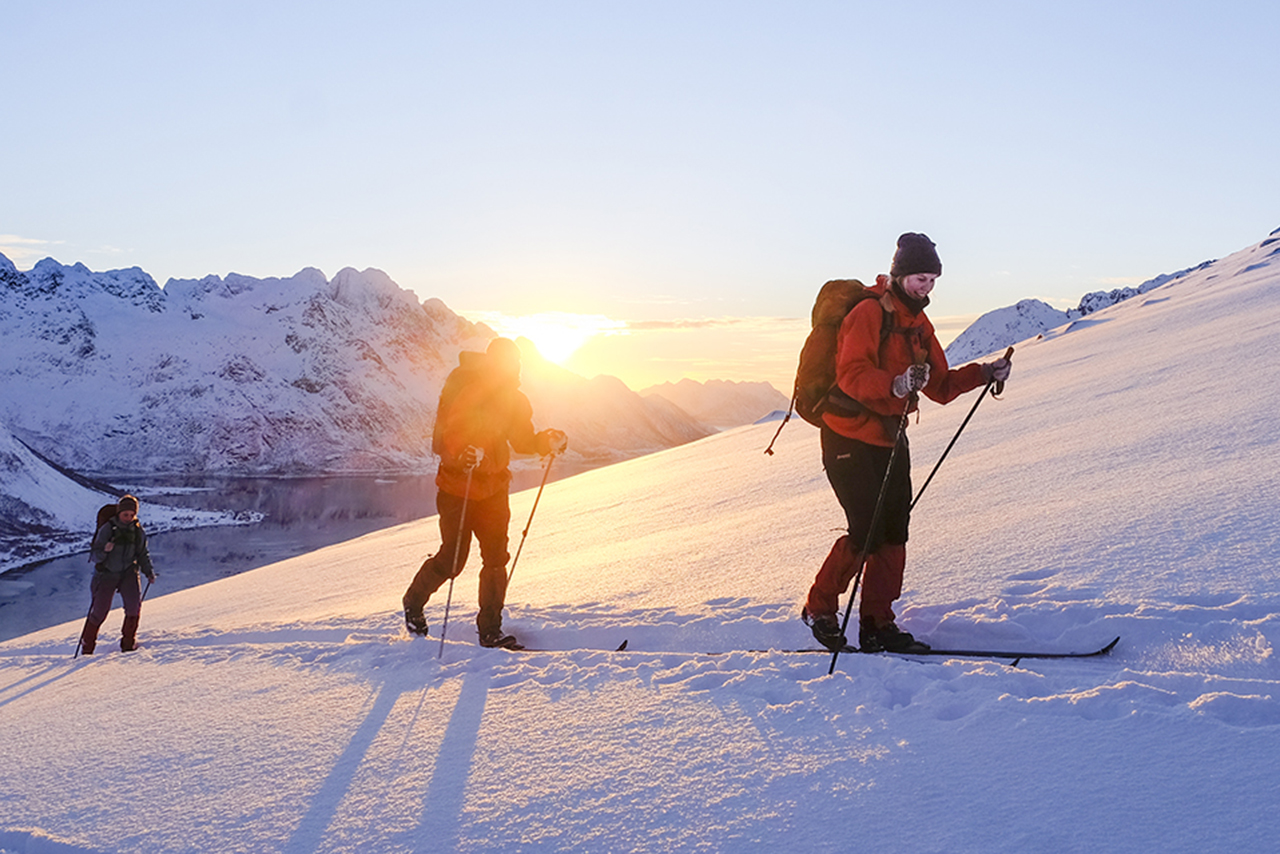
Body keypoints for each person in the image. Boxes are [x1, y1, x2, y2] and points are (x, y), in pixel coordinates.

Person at [801, 233, 1012, 653]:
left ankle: (878, 624)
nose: (925, 288)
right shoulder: (867, 312)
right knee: (867, 529)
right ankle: (819, 607)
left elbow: (941, 386)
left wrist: (985, 373)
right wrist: (895, 384)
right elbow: (851, 375)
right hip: (846, 435)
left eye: (932, 280)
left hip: (890, 436)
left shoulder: (918, 325)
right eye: (919, 279)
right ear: (899, 275)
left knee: (894, 531)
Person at [403, 337, 568, 648]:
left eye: (516, 362)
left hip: (494, 489)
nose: (514, 367)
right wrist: (463, 453)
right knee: (453, 560)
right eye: (510, 362)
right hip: (458, 488)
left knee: (495, 559)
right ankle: (413, 602)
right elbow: (449, 434)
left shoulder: (514, 399)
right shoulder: (468, 390)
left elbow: (522, 440)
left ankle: (490, 631)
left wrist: (547, 441)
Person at [79, 494, 156, 654]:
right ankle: (87, 648)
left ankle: (128, 645)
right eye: (125, 514)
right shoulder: (108, 529)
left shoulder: (137, 530)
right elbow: (94, 555)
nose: (128, 518)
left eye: (132, 515)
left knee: (133, 608)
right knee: (99, 613)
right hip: (106, 574)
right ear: (119, 513)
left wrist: (148, 571)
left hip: (128, 572)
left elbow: (142, 553)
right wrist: (105, 551)